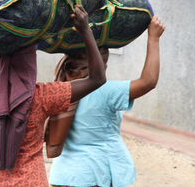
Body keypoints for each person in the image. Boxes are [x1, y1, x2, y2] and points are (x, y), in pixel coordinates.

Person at [0, 5, 107, 187]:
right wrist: (85, 30)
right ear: (29, 62)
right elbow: (97, 79)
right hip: (30, 181)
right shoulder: (43, 96)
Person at [49, 16, 165, 187]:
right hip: (94, 176)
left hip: (62, 176)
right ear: (101, 65)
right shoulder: (105, 91)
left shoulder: (58, 87)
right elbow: (148, 82)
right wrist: (153, 38)